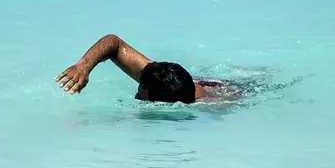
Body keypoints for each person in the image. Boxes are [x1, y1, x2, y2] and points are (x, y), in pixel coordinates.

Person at [55, 33, 242, 104]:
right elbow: (113, 43)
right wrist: (84, 65)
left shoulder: (214, 103)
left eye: (141, 87)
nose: (138, 88)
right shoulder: (158, 76)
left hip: (233, 89)